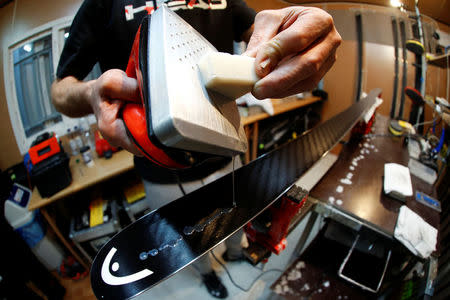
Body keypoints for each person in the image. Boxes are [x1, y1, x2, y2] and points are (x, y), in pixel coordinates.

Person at [51, 0, 341, 298]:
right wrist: (91, 92)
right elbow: (60, 90)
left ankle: (234, 253)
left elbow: (263, 35)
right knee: (187, 238)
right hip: (161, 166)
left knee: (236, 216)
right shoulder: (102, 5)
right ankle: (207, 275)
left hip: (225, 147)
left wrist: (293, 37)